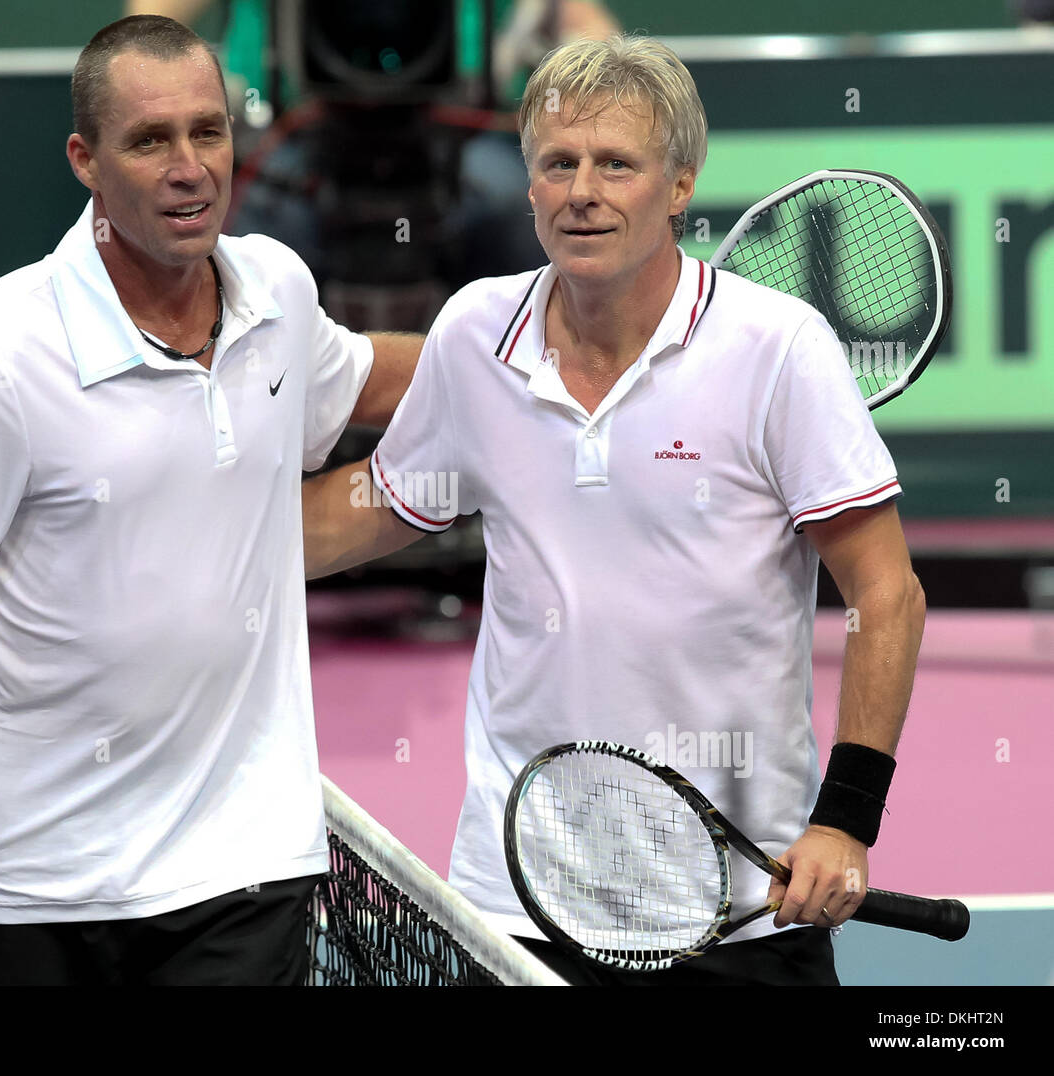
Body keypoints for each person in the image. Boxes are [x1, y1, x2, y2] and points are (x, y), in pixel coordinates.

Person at [302, 33, 927, 986]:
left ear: (679, 186)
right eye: (559, 163)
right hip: (522, 905)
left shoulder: (779, 349)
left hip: (746, 911)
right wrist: (186, 536)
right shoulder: (476, 334)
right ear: (528, 183)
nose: (582, 190)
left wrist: (844, 819)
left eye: (615, 164)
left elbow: (886, 595)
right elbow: (377, 508)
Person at [0, 15, 421, 987]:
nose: (190, 166)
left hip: (243, 870)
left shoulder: (277, 292)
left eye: (208, 131)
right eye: (151, 140)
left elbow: (366, 380)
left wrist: (526, 354)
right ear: (85, 160)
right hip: (34, 888)